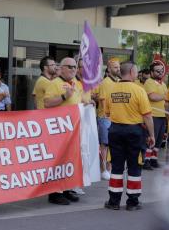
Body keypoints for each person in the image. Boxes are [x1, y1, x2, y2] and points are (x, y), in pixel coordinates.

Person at [104, 61, 155, 211]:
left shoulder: (111, 90)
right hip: (134, 132)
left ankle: (113, 201)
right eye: (136, 71)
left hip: (115, 131)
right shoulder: (139, 91)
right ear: (132, 72)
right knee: (134, 167)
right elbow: (147, 116)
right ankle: (132, 202)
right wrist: (151, 135)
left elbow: (107, 113)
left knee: (117, 167)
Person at [43, 57, 89, 205]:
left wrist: (86, 102)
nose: (73, 69)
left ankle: (67, 188)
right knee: (58, 160)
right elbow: (47, 102)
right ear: (60, 68)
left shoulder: (74, 83)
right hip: (59, 130)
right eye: (70, 67)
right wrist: (64, 96)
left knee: (70, 160)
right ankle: (55, 193)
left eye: (75, 67)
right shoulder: (55, 83)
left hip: (73, 129)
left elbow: (76, 101)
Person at [93, 59, 120, 181]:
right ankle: (103, 169)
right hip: (105, 117)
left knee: (113, 144)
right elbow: (103, 101)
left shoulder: (119, 82)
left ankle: (110, 169)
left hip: (116, 118)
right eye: (115, 67)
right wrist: (108, 115)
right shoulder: (105, 83)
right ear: (108, 69)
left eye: (118, 67)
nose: (118, 69)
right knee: (104, 144)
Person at [143, 61, 168, 169]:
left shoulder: (163, 84)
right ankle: (146, 161)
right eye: (157, 71)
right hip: (153, 115)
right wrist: (166, 96)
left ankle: (153, 160)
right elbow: (152, 97)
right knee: (150, 139)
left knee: (158, 140)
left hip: (162, 115)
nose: (160, 73)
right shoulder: (149, 82)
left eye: (162, 71)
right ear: (152, 72)